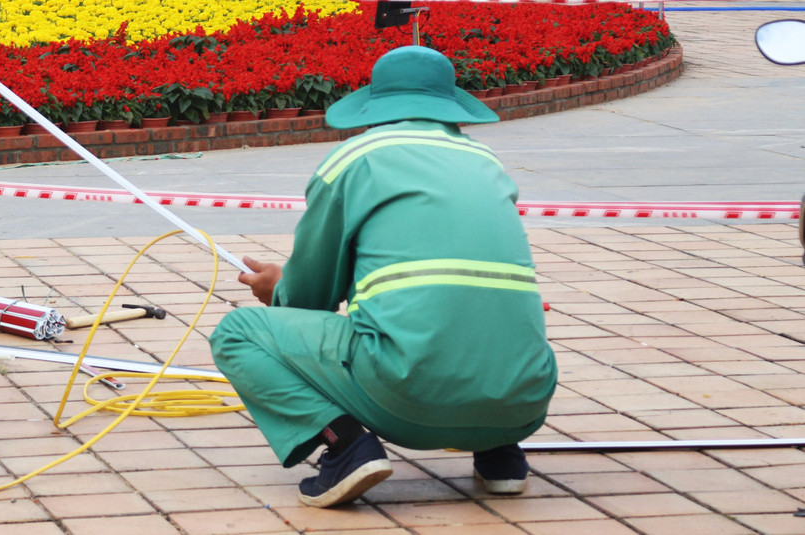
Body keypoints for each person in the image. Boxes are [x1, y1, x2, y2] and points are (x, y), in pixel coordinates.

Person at [210, 46, 558, 508]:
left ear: (376, 106)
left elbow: (310, 295)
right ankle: (499, 454)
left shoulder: (357, 158)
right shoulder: (485, 162)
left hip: (410, 395)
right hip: (524, 399)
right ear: (450, 106)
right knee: (478, 318)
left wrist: (278, 287)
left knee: (237, 333)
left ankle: (346, 446)